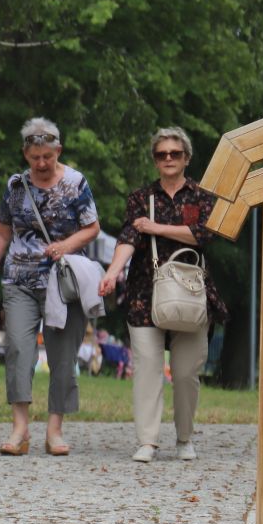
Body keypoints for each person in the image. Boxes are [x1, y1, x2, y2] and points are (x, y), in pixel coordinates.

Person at [99, 126, 227, 463]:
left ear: (186, 157)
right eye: (161, 154)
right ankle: (148, 441)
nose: (168, 159)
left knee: (185, 373)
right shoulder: (141, 199)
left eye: (174, 153)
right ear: (155, 160)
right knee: (147, 367)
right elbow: (128, 236)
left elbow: (204, 235)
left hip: (191, 291)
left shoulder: (202, 197)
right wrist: (113, 272)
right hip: (145, 291)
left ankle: (185, 438)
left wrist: (155, 228)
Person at [0, 117, 100, 456]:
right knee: (18, 348)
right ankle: (20, 427)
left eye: (48, 156)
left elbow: (92, 227)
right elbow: (2, 229)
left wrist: (66, 244)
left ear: (58, 150)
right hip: (20, 278)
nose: (42, 163)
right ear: (26, 154)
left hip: (64, 282)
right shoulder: (16, 185)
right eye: (35, 157)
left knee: (63, 354)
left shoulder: (76, 182)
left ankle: (55, 428)